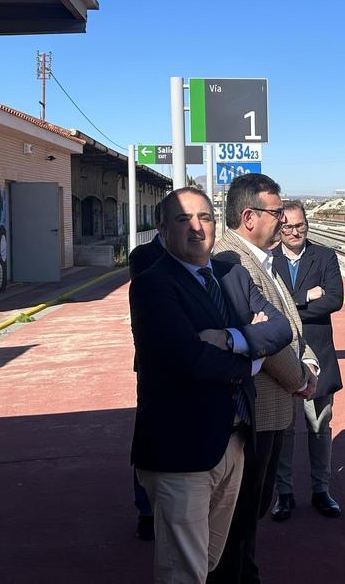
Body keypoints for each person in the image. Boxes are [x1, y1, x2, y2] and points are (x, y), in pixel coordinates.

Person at [130, 188, 293, 584]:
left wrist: (234, 340)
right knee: (183, 571)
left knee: (212, 559)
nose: (196, 227)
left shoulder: (231, 274)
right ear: (162, 227)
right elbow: (191, 359)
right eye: (183, 219)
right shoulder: (153, 285)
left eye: (204, 217)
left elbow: (280, 327)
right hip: (181, 451)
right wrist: (254, 361)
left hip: (233, 442)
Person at [210, 174, 319, 584]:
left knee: (252, 509)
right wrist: (301, 380)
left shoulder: (258, 258)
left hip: (273, 405)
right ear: (249, 216)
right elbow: (265, 342)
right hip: (257, 406)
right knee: (239, 513)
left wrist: (306, 363)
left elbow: (281, 327)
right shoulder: (233, 261)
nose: (284, 219)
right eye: (276, 212)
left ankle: (245, 572)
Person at [269, 200, 344, 521]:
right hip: (283, 356)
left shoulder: (325, 256)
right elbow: (268, 305)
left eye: (300, 225)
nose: (294, 231)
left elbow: (334, 299)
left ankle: (321, 490)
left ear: (306, 224)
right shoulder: (268, 260)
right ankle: (283, 493)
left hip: (320, 355)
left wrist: (290, 303)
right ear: (279, 228)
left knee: (319, 426)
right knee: (283, 429)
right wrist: (304, 297)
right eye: (287, 226)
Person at [130, 201, 166, 540]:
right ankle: (146, 508)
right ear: (160, 223)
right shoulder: (143, 256)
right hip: (154, 364)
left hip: (191, 362)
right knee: (149, 433)